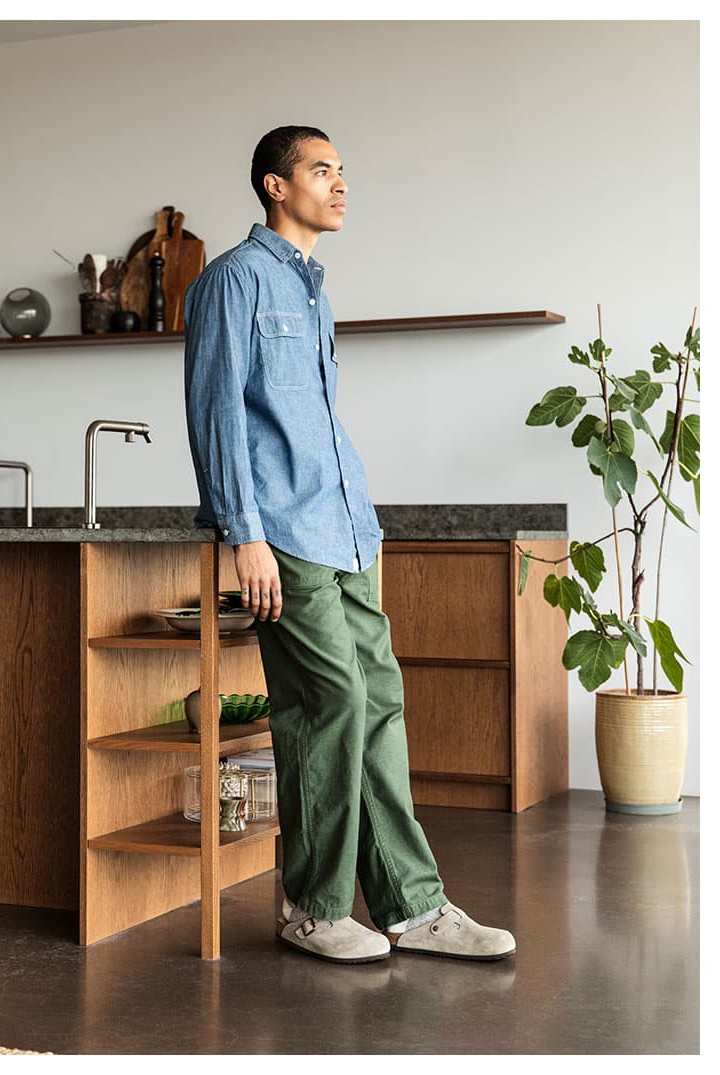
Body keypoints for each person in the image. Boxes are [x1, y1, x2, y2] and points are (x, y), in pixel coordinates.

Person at [184, 125, 516, 965]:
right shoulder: (233, 279)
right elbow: (217, 412)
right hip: (284, 534)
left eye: (342, 171)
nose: (339, 183)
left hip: (348, 528)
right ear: (275, 185)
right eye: (321, 169)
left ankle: (414, 906)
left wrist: (362, 524)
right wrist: (243, 534)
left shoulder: (313, 292)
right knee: (327, 700)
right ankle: (314, 907)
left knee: (378, 703)